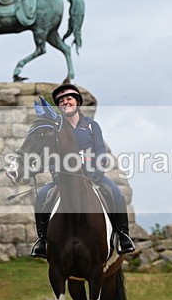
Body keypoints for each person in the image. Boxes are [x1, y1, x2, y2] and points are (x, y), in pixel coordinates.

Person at [29, 84, 135, 259]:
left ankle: (123, 235)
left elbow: (100, 149)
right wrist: (55, 171)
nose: (65, 102)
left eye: (69, 98)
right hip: (65, 178)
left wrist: (99, 169)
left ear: (77, 102)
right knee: (42, 196)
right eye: (61, 101)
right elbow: (51, 153)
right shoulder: (57, 130)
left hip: (93, 175)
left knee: (116, 194)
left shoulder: (92, 126)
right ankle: (42, 240)